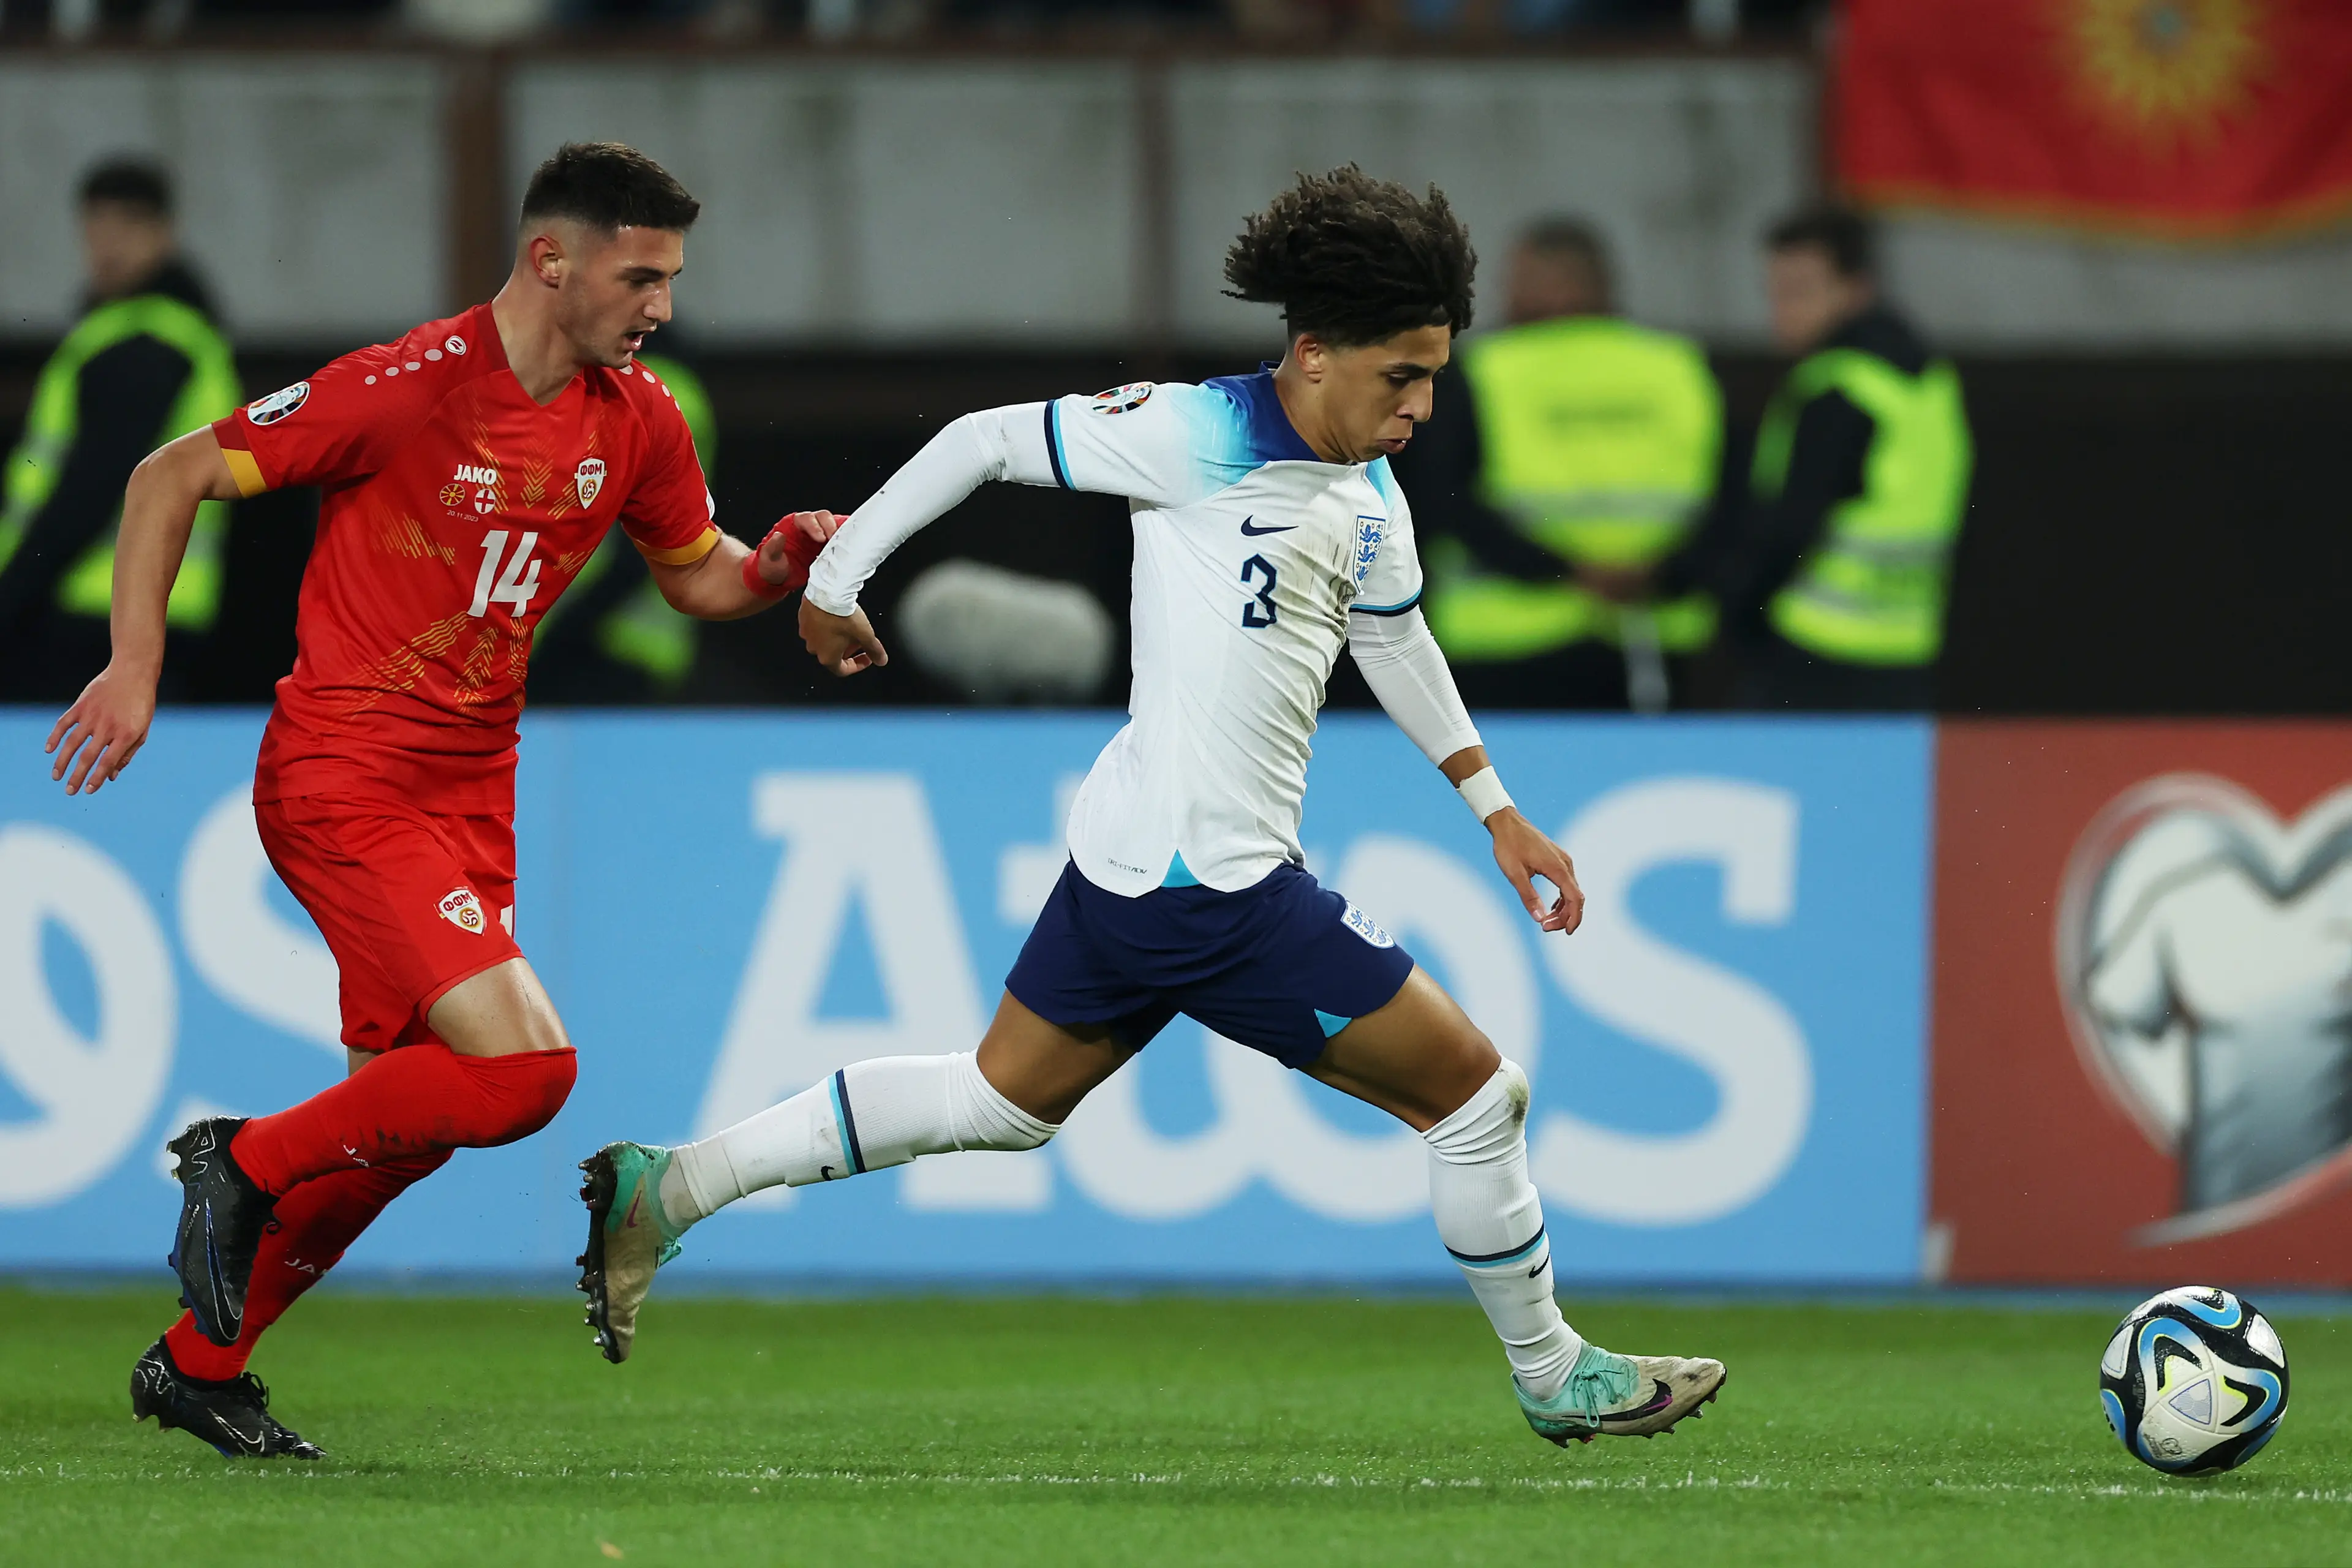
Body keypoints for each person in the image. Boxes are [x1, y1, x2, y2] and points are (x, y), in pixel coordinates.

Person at [576, 167, 1727, 1449]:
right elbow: (978, 442)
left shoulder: (1366, 495)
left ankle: (670, 1186)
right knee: (1475, 1098)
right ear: (1312, 353)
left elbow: (1395, 641)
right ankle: (1552, 1367)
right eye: (1401, 374)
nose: (1422, 403)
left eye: (1435, 376)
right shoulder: (1191, 431)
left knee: (1000, 1101)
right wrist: (839, 578)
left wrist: (1495, 808)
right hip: (1211, 888)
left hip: (1136, 861)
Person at [43, 141, 838, 1460]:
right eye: (642, 275)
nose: (663, 307)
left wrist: (783, 566)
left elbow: (700, 574)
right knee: (526, 1069)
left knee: (400, 1126)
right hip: (343, 773)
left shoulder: (636, 419)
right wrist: (134, 668)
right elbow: (164, 475)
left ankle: (199, 1361)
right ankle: (234, 1165)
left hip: (471, 791)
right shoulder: (404, 388)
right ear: (551, 260)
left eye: (673, 279)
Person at [1649, 205, 1971, 710]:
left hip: (1814, 649)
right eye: (1774, 291)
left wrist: (1741, 614)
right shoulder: (1927, 380)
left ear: (1856, 289)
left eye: (1800, 291)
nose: (1782, 309)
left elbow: (1789, 526)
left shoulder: (1837, 388)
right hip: (1907, 644)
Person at [1403, 218, 1722, 711]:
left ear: (1554, 283)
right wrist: (1661, 574)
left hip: (1506, 641)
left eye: (1516, 280)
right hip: (1651, 635)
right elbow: (1730, 498)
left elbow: (1442, 499)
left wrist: (1564, 572)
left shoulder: (1485, 368)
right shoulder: (1678, 366)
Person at [0, 159, 240, 702]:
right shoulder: (176, 334)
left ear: (164, 232)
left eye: (127, 226)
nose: (108, 246)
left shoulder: (147, 342)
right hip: (148, 611)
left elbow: (92, 490)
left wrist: (12, 597)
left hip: (92, 617)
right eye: (97, 227)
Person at [527, 347, 715, 702]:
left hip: (603, 641)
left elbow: (646, 534)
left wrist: (568, 631)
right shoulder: (663, 388)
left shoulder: (635, 391)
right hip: (623, 641)